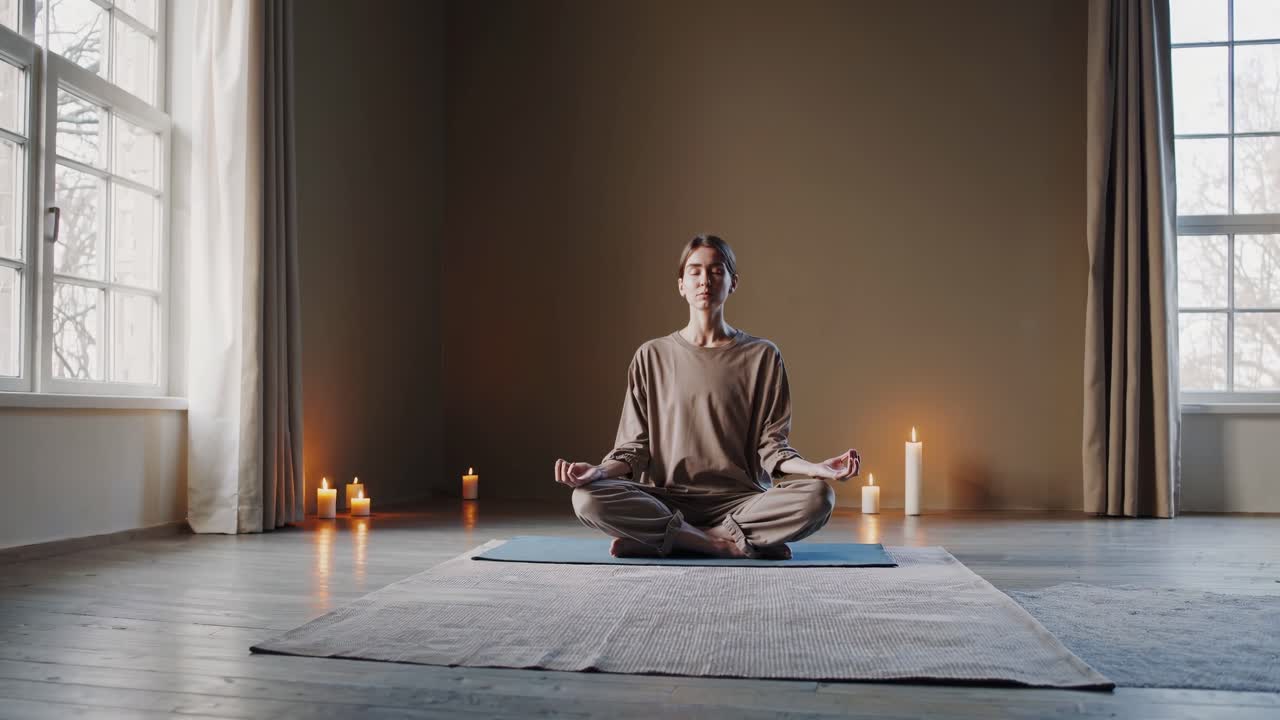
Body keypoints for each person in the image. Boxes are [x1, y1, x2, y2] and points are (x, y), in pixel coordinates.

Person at [553, 234, 860, 559]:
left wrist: (817, 469)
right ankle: (724, 543)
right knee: (585, 498)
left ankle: (673, 538)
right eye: (695, 271)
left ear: (733, 282)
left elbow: (773, 449)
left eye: (716, 271)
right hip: (667, 499)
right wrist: (597, 472)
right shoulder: (651, 355)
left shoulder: (763, 356)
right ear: (681, 284)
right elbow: (633, 450)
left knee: (818, 498)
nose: (705, 280)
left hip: (742, 502)